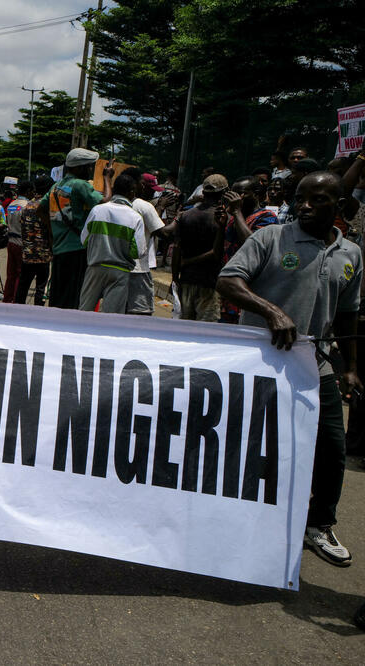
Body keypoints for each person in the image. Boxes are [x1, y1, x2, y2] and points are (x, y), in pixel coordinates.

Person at [217, 171, 361, 568]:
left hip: (317, 366)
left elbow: (347, 314)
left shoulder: (351, 254)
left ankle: (319, 525)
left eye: (316, 200)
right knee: (250, 445)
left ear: (338, 206)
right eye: (300, 198)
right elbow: (228, 281)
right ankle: (234, 520)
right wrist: (272, 312)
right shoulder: (271, 238)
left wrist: (350, 368)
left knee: (332, 450)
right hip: (263, 364)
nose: (305, 206)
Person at [37, 148, 113, 308]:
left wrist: (52, 233)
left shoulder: (56, 187)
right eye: (89, 167)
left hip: (59, 248)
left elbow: (40, 209)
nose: (91, 171)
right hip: (77, 249)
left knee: (59, 295)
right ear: (79, 168)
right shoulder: (80, 185)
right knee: (74, 297)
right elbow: (105, 203)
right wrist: (107, 178)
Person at [78, 174, 147, 313]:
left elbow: (83, 239)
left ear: (114, 189)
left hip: (95, 268)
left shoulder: (97, 210)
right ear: (132, 192)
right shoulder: (135, 218)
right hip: (120, 272)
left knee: (84, 312)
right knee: (111, 317)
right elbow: (138, 252)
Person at [219, 176, 279, 323]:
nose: (237, 198)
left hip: (250, 291)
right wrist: (221, 225)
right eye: (234, 193)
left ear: (256, 193)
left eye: (242, 193)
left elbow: (253, 246)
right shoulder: (235, 219)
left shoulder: (267, 217)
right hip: (230, 291)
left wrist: (237, 212)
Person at [172, 174, 228, 321]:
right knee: (205, 332)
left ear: (203, 193)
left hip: (186, 279)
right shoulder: (224, 219)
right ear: (224, 193)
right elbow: (217, 253)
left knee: (185, 327)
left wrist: (175, 277)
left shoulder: (185, 216)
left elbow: (176, 249)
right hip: (209, 283)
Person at [123, 168, 174, 316]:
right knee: (140, 312)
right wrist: (179, 219)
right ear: (139, 185)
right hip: (137, 268)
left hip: (116, 266)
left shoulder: (113, 203)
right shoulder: (145, 206)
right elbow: (162, 232)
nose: (152, 192)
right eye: (149, 188)